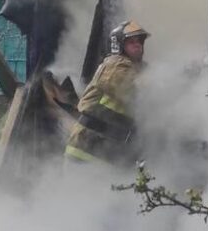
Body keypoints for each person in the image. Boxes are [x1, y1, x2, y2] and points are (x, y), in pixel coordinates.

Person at [64, 20, 150, 166]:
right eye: (131, 42)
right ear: (119, 45)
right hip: (87, 150)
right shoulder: (114, 65)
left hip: (106, 149)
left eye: (139, 41)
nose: (138, 45)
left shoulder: (135, 69)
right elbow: (136, 91)